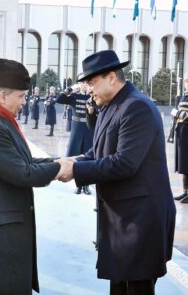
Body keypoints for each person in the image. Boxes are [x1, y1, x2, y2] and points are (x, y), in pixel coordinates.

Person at [57, 50, 176, 295]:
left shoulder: (137, 107)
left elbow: (124, 162)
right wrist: (67, 161)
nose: (89, 89)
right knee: (120, 287)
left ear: (111, 77)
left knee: (136, 288)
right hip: (122, 221)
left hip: (140, 222)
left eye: (91, 82)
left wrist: (76, 170)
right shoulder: (111, 105)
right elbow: (98, 151)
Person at [0, 58, 67, 295]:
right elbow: (23, 173)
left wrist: (61, 162)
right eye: (21, 96)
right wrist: (59, 169)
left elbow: (24, 161)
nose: (24, 102)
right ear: (3, 96)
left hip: (5, 233)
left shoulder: (0, 120)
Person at [56, 82, 94, 195]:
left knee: (87, 158)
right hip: (76, 130)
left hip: (89, 130)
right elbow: (59, 99)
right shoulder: (74, 97)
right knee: (76, 158)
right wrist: (70, 89)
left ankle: (86, 185)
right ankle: (79, 185)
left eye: (87, 83)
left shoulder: (92, 97)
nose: (84, 85)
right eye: (83, 83)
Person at [171, 72, 188, 203]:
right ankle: (185, 191)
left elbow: (185, 116)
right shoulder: (184, 97)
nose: (186, 83)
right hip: (182, 132)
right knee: (183, 163)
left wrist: (176, 112)